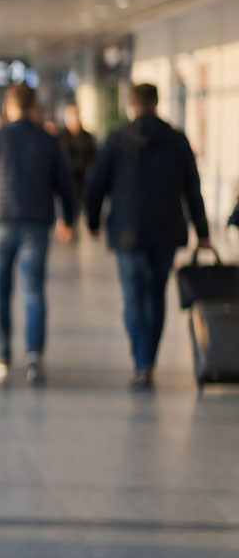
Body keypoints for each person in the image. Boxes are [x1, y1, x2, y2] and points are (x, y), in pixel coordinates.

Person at [0, 84, 78, 385]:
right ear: (34, 108)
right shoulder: (48, 141)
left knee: (0, 291)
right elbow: (65, 184)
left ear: (8, 107)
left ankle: (1, 355)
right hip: (36, 223)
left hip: (0, 223)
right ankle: (34, 357)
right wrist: (68, 219)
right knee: (33, 291)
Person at [85, 84, 210, 390]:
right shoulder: (177, 140)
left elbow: (96, 184)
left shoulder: (117, 140)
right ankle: (148, 362)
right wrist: (203, 232)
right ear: (156, 102)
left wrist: (91, 221)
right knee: (156, 297)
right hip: (166, 230)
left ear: (132, 104)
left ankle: (139, 360)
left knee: (133, 297)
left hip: (127, 230)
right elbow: (192, 190)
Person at [59, 105, 99, 215]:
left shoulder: (87, 137)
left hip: (84, 185)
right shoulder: (61, 137)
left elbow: (94, 160)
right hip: (65, 186)